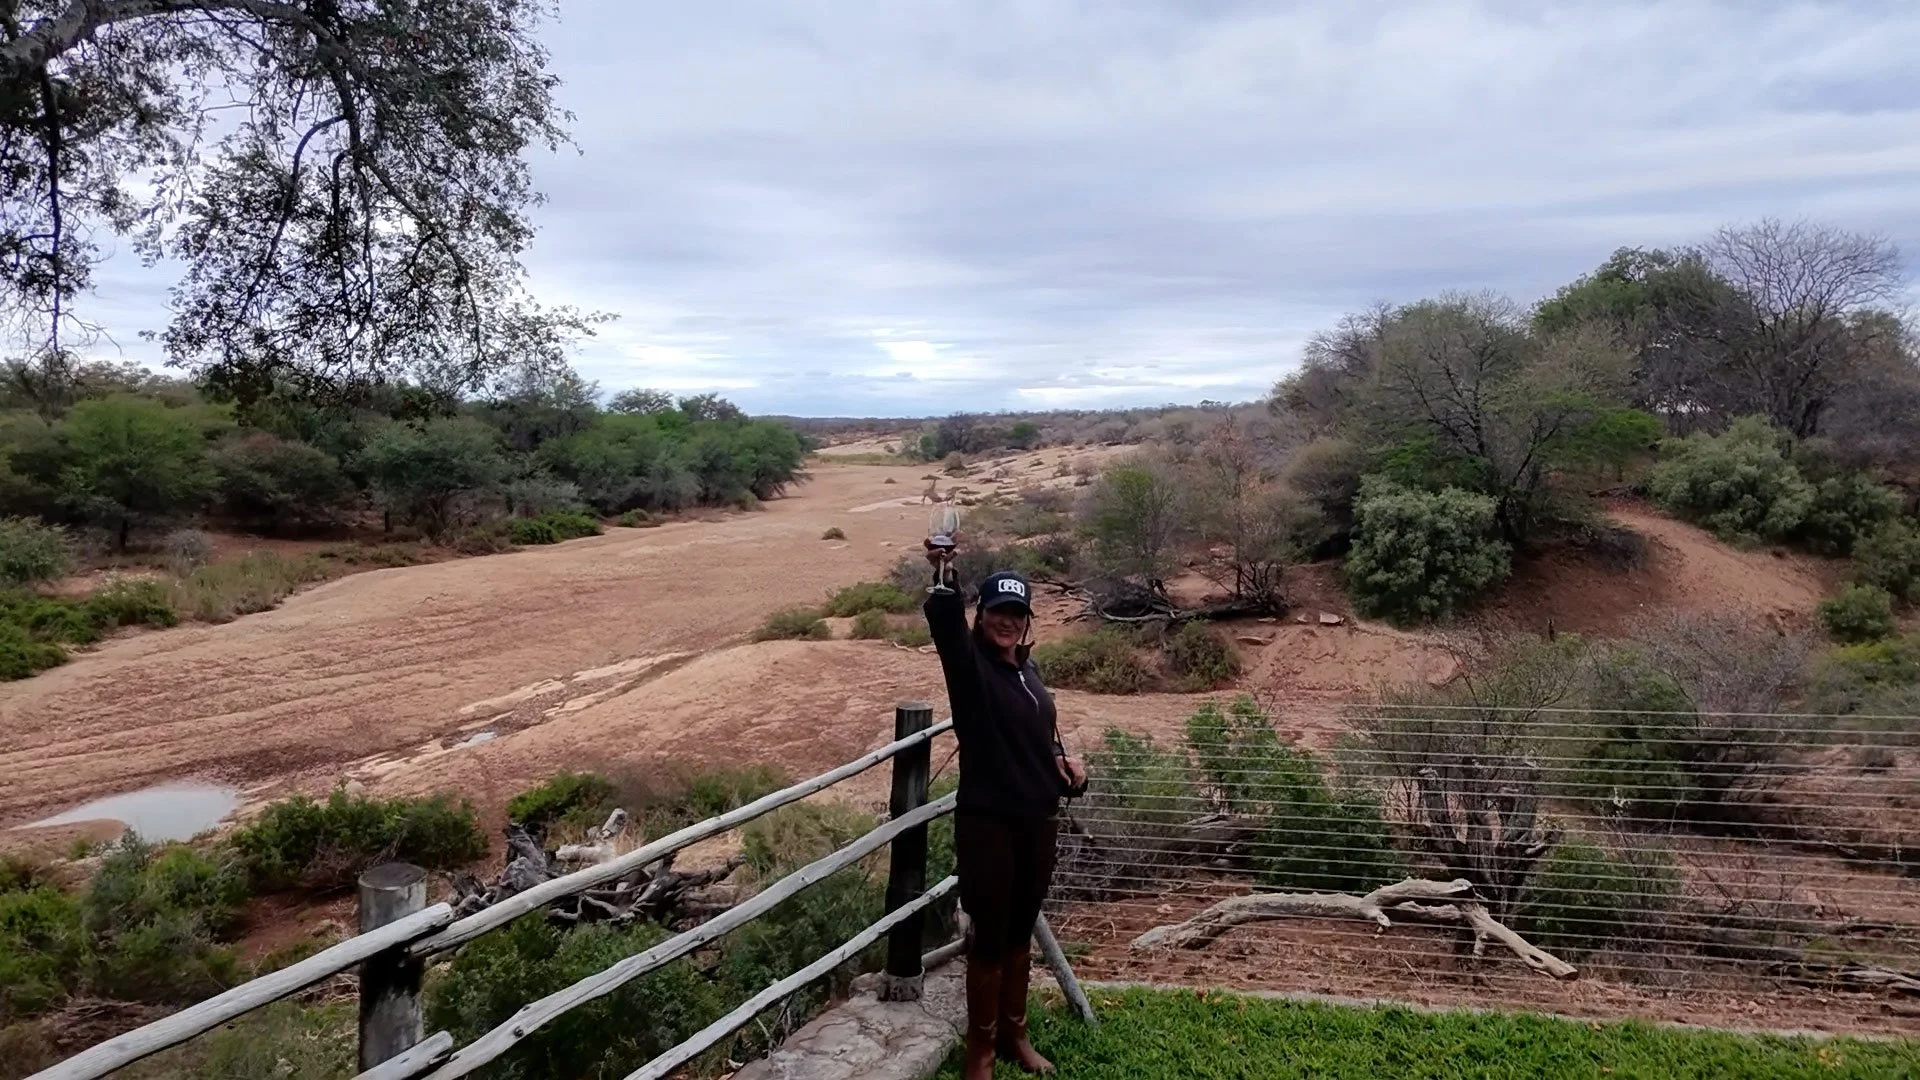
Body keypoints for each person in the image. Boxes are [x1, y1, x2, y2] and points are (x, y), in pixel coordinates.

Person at [924, 546, 1087, 1079]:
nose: (1008, 622)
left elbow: (1036, 735)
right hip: (988, 823)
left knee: (1019, 933)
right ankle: (981, 1054)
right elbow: (945, 625)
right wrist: (945, 574)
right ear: (981, 614)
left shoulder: (1026, 667)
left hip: (1037, 821)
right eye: (998, 611)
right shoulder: (970, 670)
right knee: (990, 936)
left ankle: (1016, 1035)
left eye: (1018, 614)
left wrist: (1064, 762)